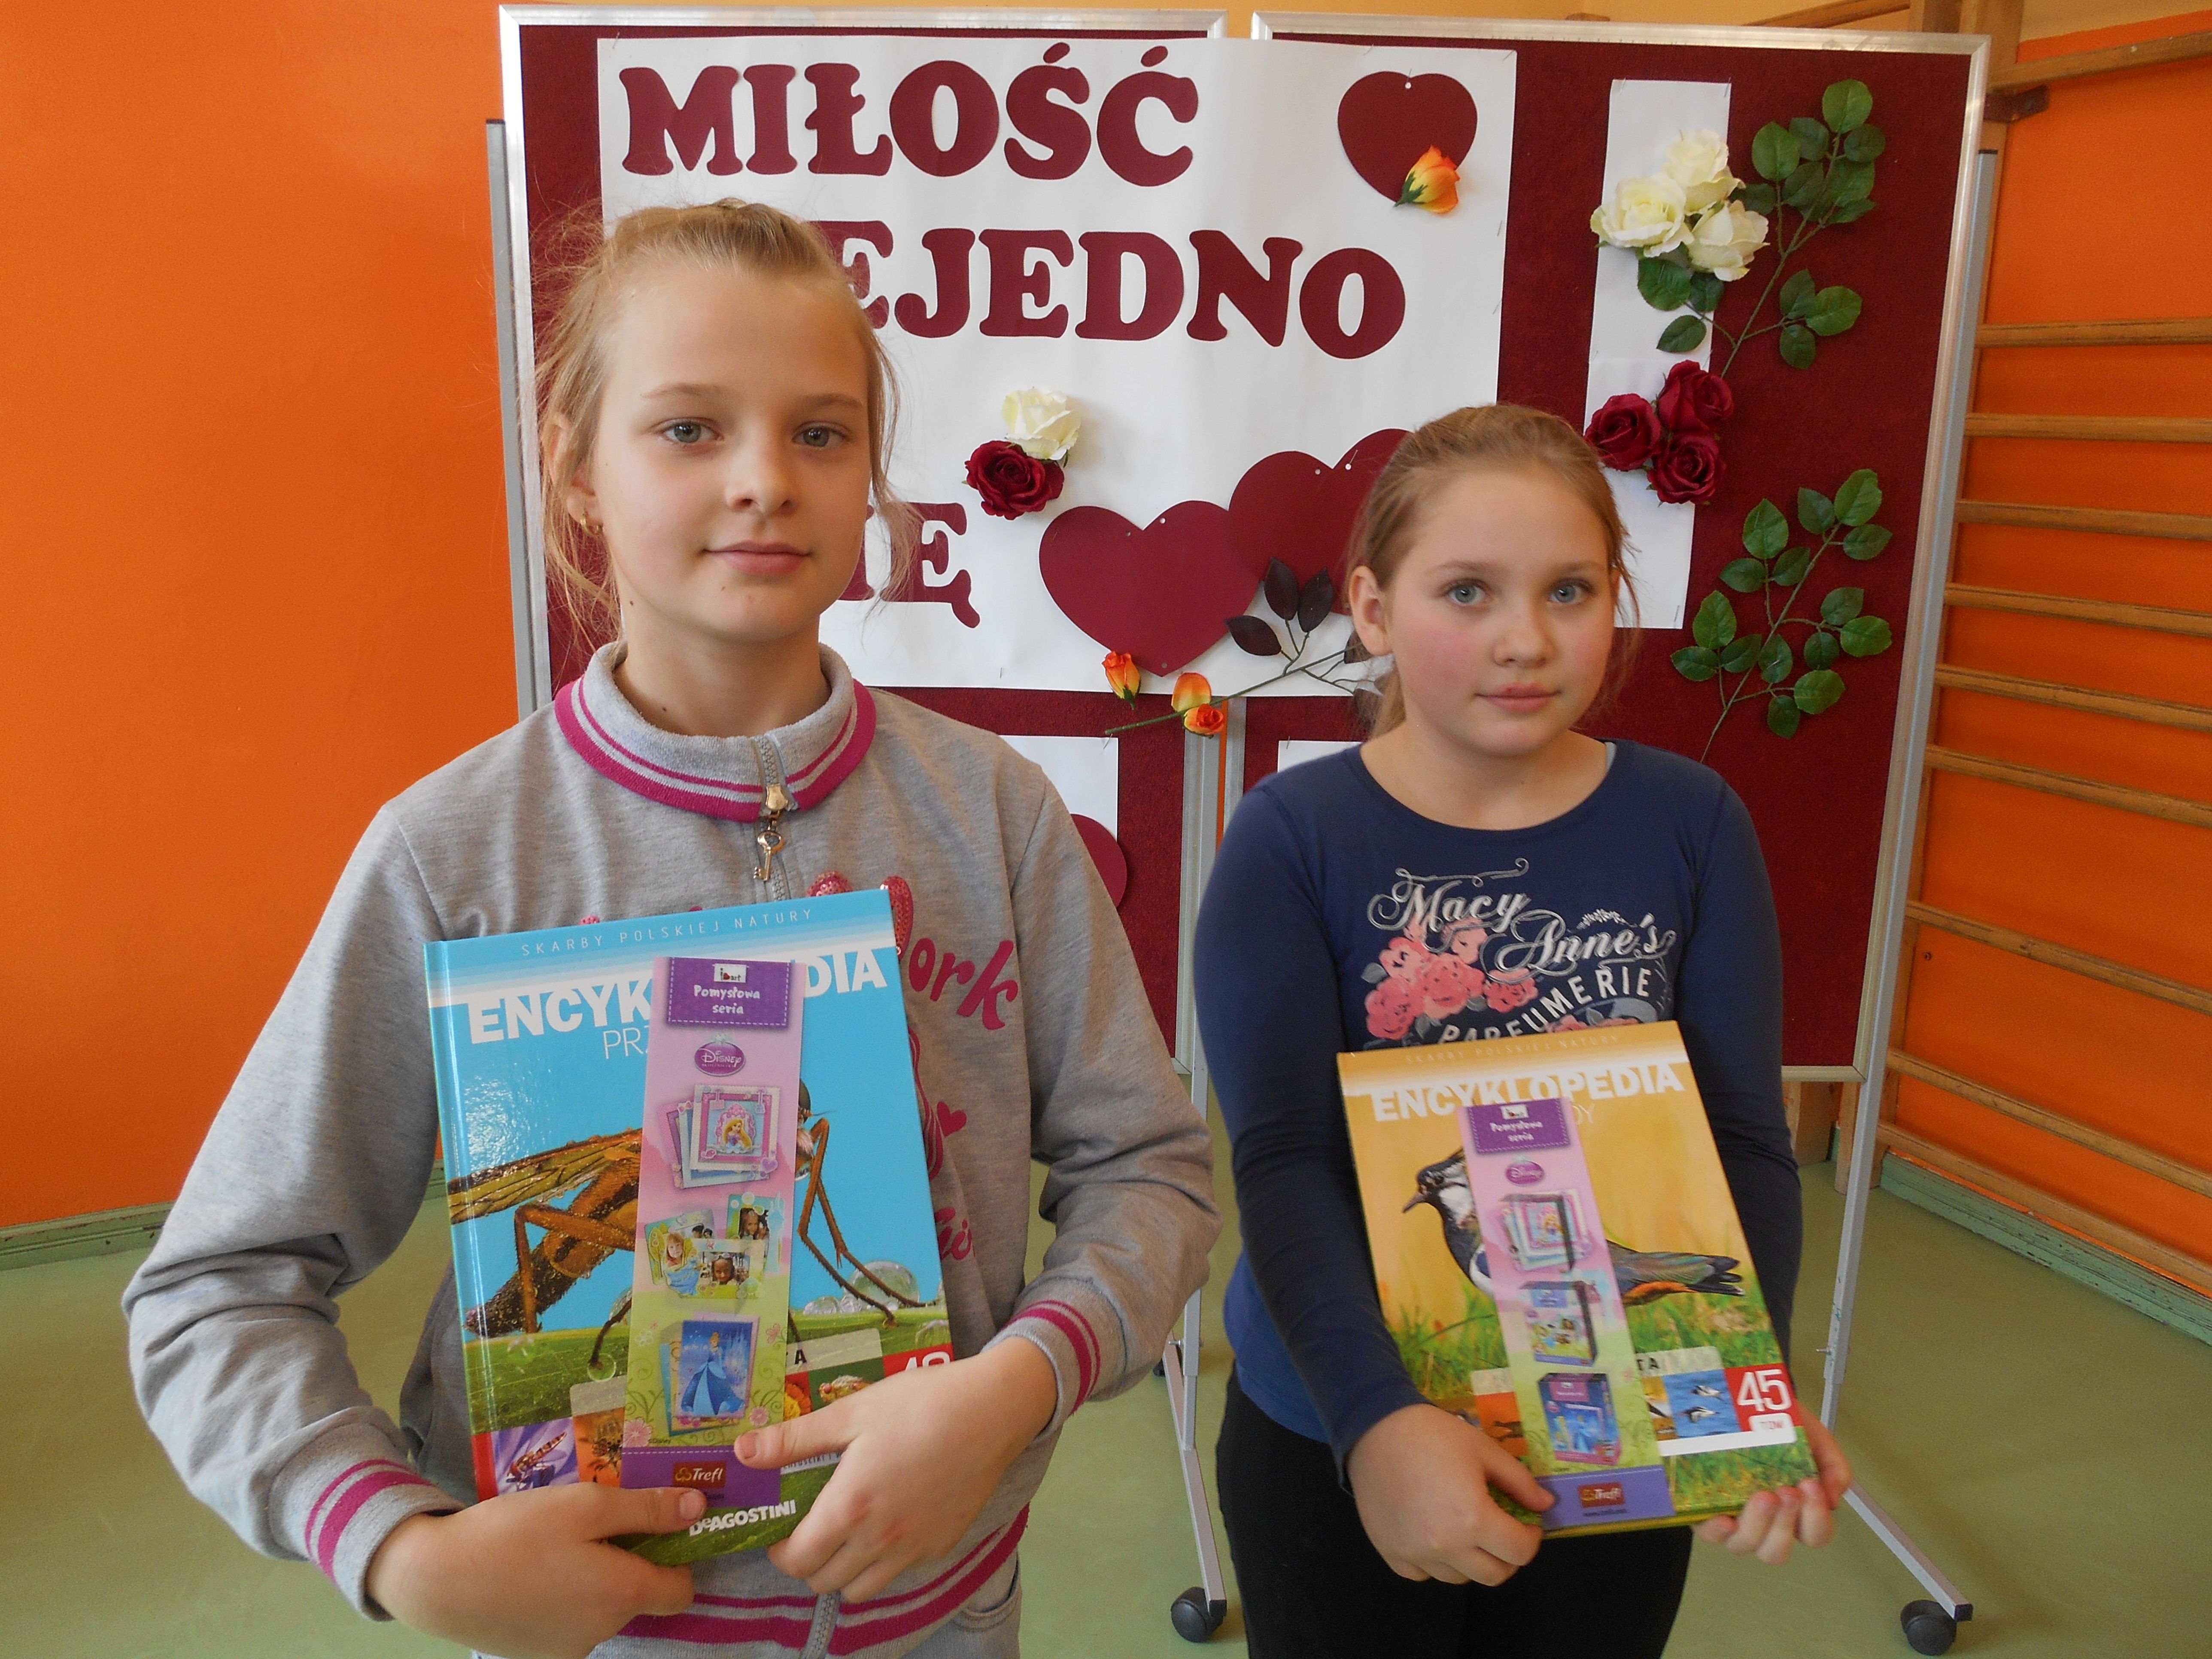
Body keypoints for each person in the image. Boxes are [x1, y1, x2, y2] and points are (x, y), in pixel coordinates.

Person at [125, 198, 1217, 1659]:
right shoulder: (453, 855)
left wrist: (1015, 1389)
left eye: (821, 433)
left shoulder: (994, 814)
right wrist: (397, 1547)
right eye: (689, 429)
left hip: (941, 1610)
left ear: (872, 478)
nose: (764, 480)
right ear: (575, 467)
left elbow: (1152, 1172)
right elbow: (214, 1290)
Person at [1194, 405, 1851, 1659]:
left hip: (1614, 1424)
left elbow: (1742, 1138)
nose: (1526, 640)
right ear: (1374, 609)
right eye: (1467, 592)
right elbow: (1283, 1161)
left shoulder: (1694, 822)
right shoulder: (1293, 837)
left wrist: (1743, 1384)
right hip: (1336, 1432)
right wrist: (1376, 1426)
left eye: (1569, 590)